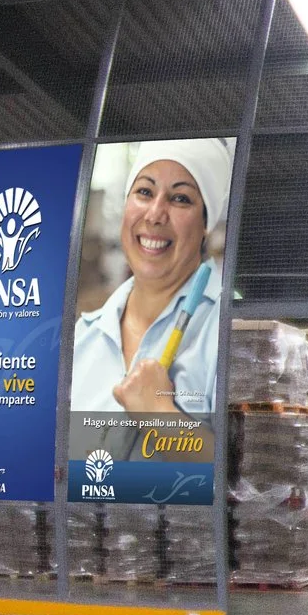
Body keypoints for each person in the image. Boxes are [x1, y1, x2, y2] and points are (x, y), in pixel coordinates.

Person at [70, 140, 231, 417]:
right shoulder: (85, 338)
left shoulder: (225, 330)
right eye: (144, 192)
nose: (155, 214)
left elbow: (243, 459)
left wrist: (159, 414)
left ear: (206, 223)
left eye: (180, 198)